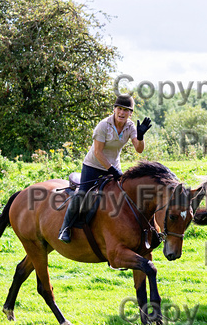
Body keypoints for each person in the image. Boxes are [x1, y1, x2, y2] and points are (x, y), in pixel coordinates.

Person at [58, 94, 152, 243]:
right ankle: (65, 228)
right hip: (94, 165)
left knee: (123, 195)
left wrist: (140, 137)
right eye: (119, 109)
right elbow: (98, 152)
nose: (122, 113)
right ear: (114, 109)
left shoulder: (130, 126)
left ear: (130, 113)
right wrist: (112, 170)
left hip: (113, 166)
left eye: (126, 110)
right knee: (83, 194)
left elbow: (139, 150)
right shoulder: (103, 125)